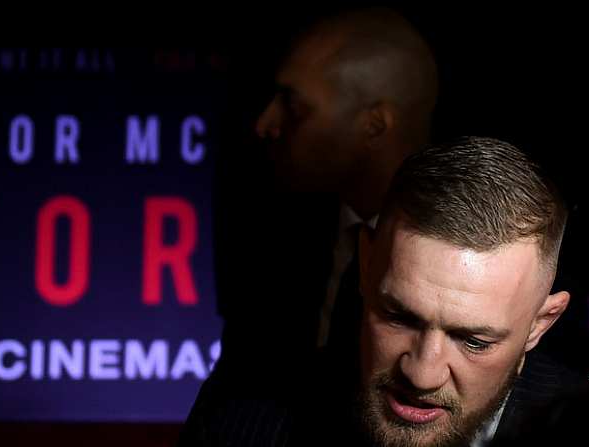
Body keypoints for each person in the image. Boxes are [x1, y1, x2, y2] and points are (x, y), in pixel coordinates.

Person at [179, 8, 438, 445]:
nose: (266, 124)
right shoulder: (272, 241)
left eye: (294, 106)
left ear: (374, 124)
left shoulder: (472, 257)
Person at [298, 136, 589, 446]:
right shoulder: (260, 421)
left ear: (539, 324)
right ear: (365, 266)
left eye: (474, 341)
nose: (422, 375)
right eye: (399, 318)